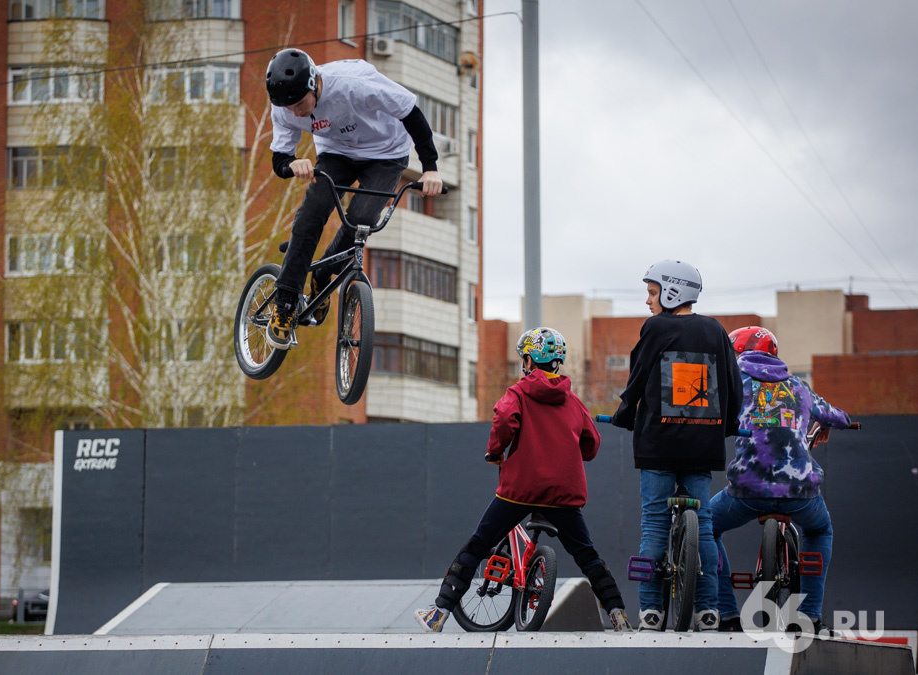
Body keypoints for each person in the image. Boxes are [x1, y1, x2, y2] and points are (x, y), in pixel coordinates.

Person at [414, 328, 632, 633]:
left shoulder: (517, 393)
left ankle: (439, 613)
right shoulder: (573, 402)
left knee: (478, 543)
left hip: (520, 490)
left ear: (529, 359)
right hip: (563, 494)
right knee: (586, 554)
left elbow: (504, 421)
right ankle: (619, 614)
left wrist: (495, 452)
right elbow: (592, 443)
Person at [264, 48, 443, 349]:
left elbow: (410, 112)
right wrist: (290, 164)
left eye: (299, 105)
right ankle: (284, 303)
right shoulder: (284, 107)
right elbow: (280, 156)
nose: (295, 112)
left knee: (361, 220)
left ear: (313, 84)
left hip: (386, 154)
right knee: (312, 213)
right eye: (289, 108)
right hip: (337, 153)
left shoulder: (354, 84)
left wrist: (431, 168)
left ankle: (323, 272)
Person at [611, 260, 743, 631]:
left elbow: (638, 376)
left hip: (658, 444)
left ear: (672, 292)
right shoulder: (716, 330)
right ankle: (707, 609)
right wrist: (729, 424)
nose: (648, 302)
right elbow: (732, 383)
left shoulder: (656, 327)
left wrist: (624, 413)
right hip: (704, 446)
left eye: (653, 293)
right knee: (702, 524)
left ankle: (652, 611)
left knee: (654, 523)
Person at [711, 326, 851, 635]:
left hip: (748, 489)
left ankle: (726, 612)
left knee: (706, 526)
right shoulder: (798, 386)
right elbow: (832, 414)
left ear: (739, 354)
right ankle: (810, 615)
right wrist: (834, 421)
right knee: (820, 530)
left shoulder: (735, 383)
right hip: (800, 490)